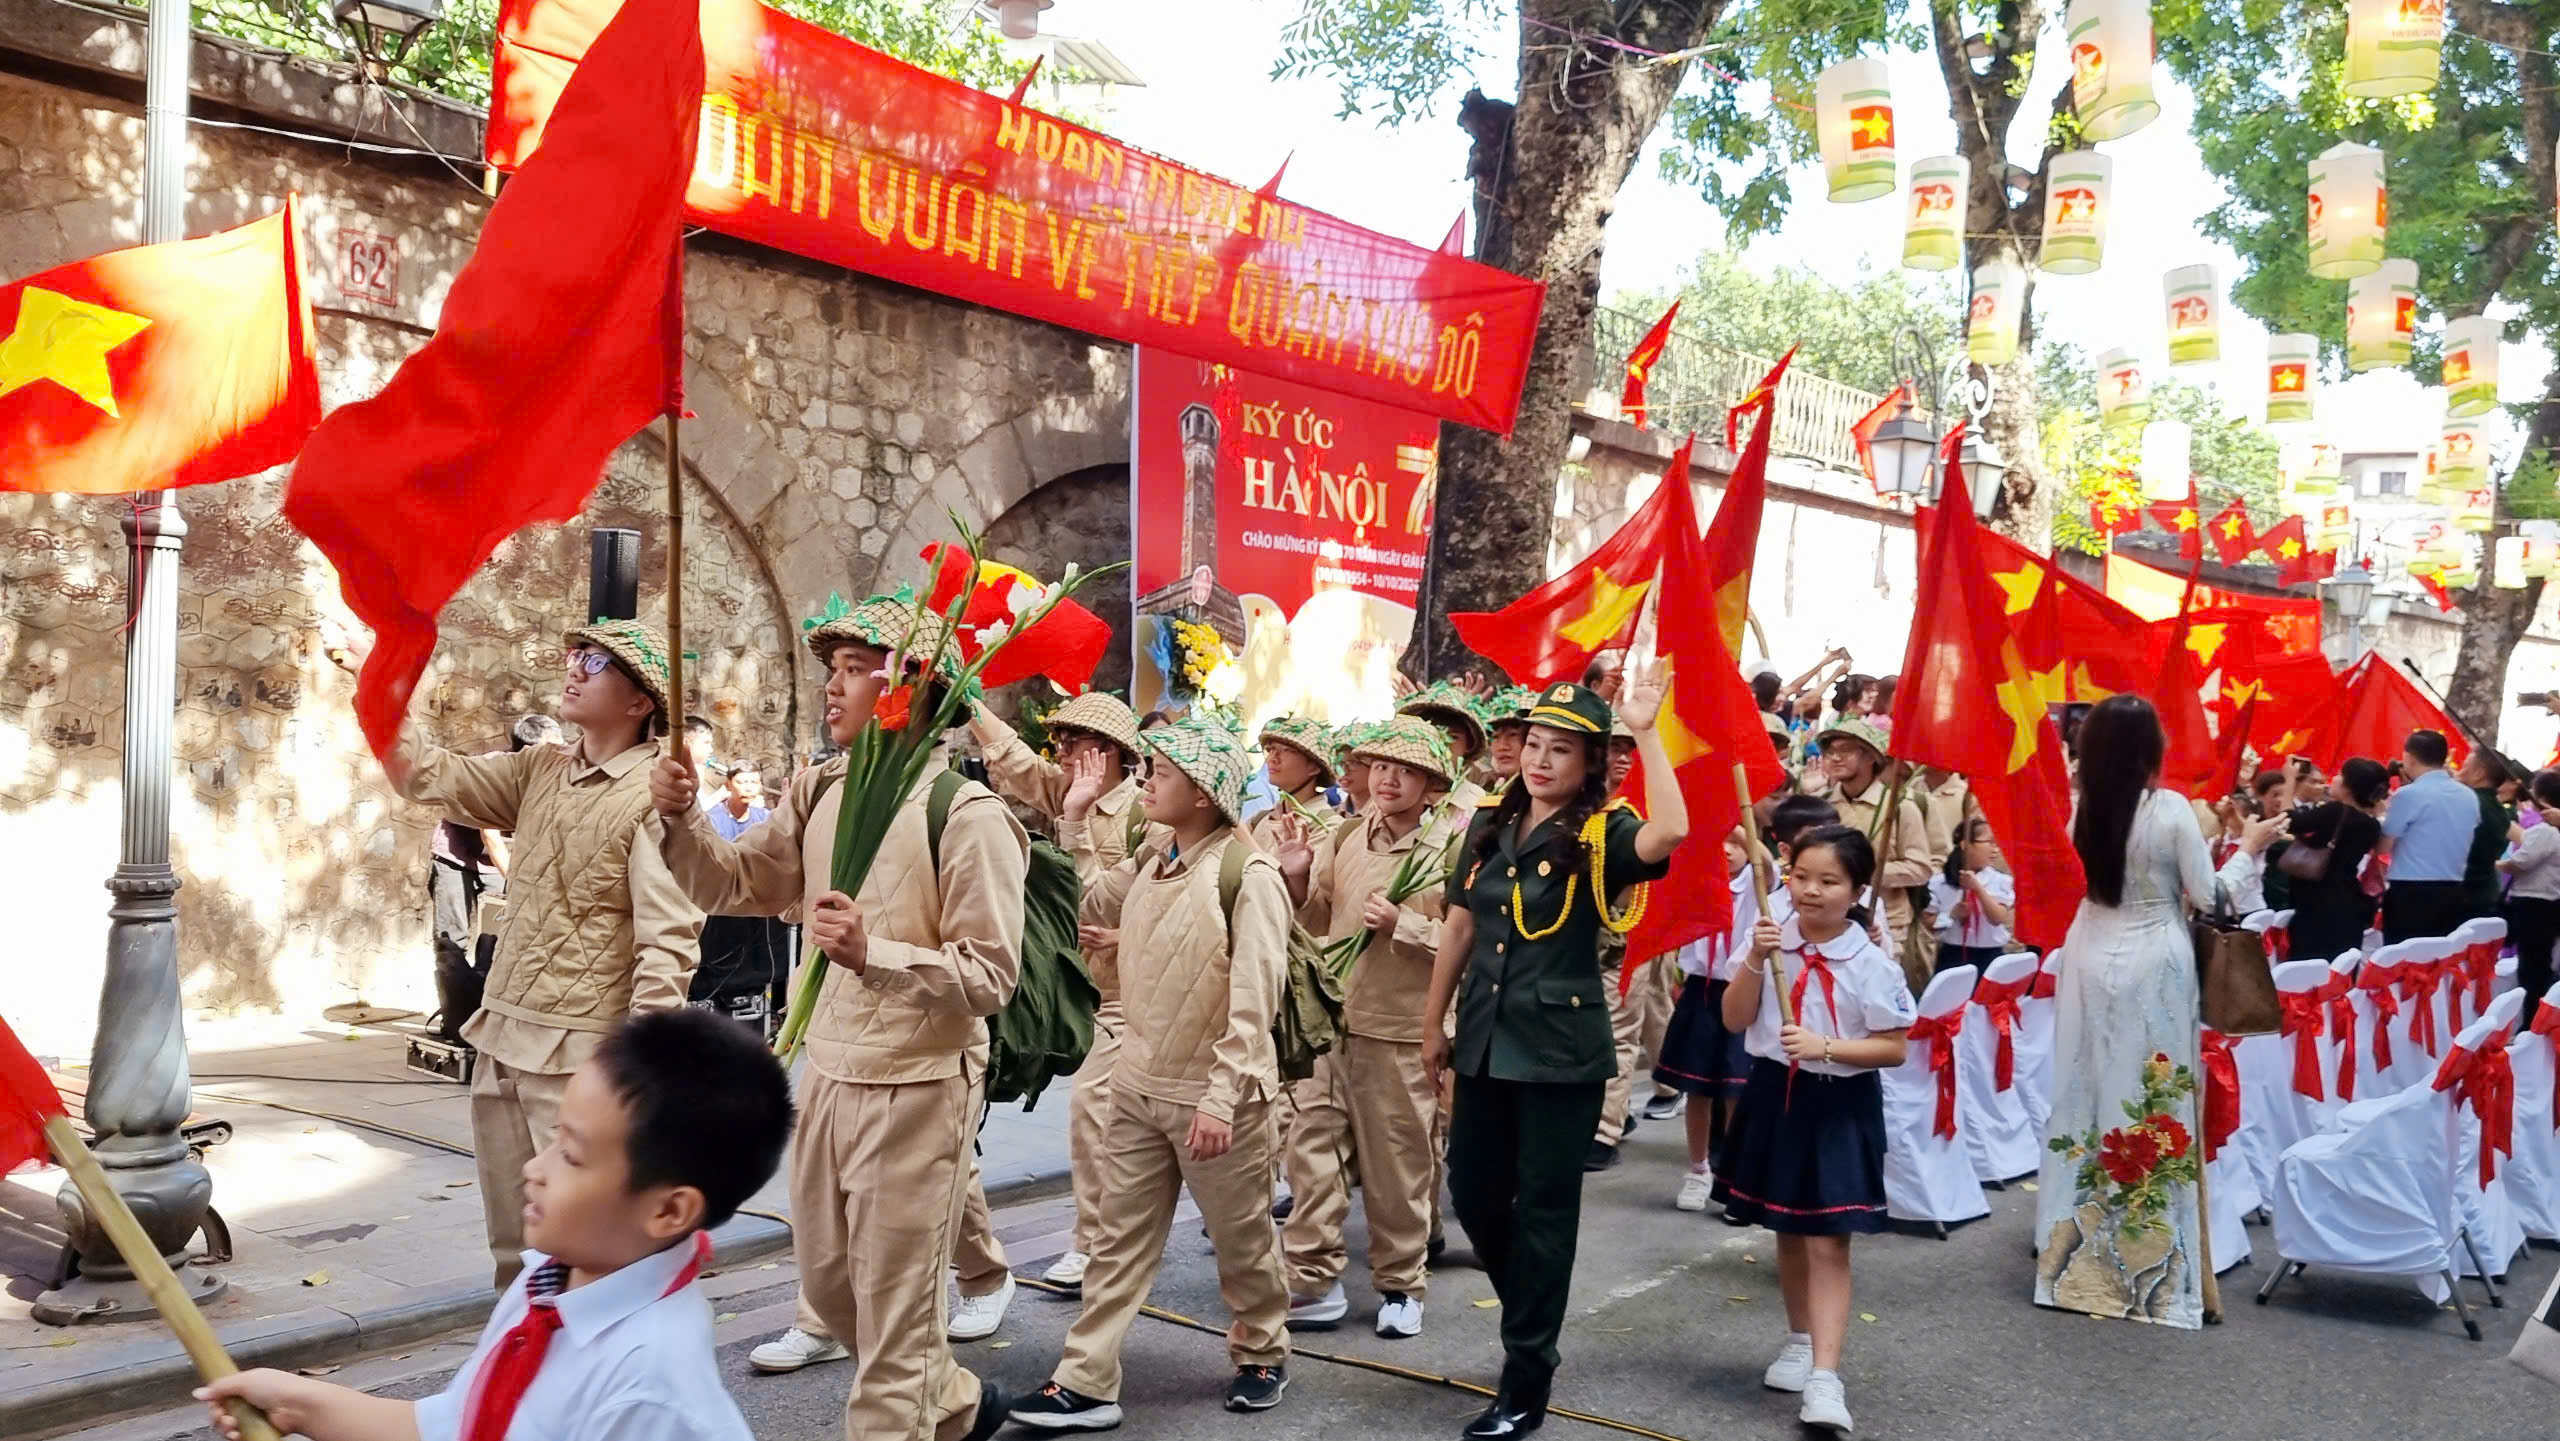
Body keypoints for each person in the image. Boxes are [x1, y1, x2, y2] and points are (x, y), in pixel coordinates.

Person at [648, 597, 1022, 1441]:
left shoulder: (965, 814)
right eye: (833, 668)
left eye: (857, 668)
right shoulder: (821, 788)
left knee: (890, 1324)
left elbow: (992, 975)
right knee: (833, 1290)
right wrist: (679, 818)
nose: (833, 686)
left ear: (914, 688)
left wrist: (873, 952)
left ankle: (906, 1413)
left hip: (920, 1083)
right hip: (828, 1075)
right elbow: (742, 885)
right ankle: (957, 1404)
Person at [198, 1008, 792, 1441]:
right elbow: (459, 1426)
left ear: (668, 1211)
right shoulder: (547, 1282)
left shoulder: (653, 1397)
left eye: (572, 1155)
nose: (535, 1168)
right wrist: (301, 1404)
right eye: (554, 1139)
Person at [389, 619, 702, 1291]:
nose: (574, 667)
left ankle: (599, 1385)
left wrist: (639, 1075)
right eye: (573, 655)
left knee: (588, 1257)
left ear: (640, 700)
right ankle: (521, 1378)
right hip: (501, 1037)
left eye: (595, 661)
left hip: (580, 1061)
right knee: (518, 1256)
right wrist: (383, 685)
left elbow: (668, 944)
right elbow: (429, 776)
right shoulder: (541, 767)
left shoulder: (656, 795)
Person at [1420, 672, 1686, 1440]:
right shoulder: (1487, 825)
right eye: (1532, 743)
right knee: (1472, 1192)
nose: (1538, 760)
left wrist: (1647, 730)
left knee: (1542, 1218)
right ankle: (1532, 1320)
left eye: (1559, 749)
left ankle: (1525, 1376)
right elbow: (1461, 926)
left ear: (1590, 761)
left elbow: (1671, 831)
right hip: (1484, 1041)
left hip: (1560, 1054)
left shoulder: (1604, 833)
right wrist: (1432, 1021)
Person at [1010, 718, 1296, 1428]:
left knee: (1242, 1240)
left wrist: (1222, 1098)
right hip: (1138, 1084)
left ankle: (1262, 1349)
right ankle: (1085, 1377)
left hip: (1214, 1096)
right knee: (1116, 1239)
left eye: (1160, 771)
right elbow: (1092, 903)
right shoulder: (1157, 852)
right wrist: (1072, 821)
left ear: (1202, 794)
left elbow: (1256, 1001)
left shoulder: (1246, 874)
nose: (1145, 779)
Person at [1268, 717, 1464, 1338]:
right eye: (1379, 766)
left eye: (1405, 770)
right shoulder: (1348, 834)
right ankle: (1312, 1277)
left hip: (1404, 1033)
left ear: (1432, 783)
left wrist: (1404, 926)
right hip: (1335, 1024)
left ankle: (1402, 1283)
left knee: (1398, 1168)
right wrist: (1297, 873)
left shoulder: (1452, 848)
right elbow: (1319, 915)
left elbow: (1475, 944)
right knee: (1310, 1155)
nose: (1388, 779)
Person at [1716, 825, 1913, 1435]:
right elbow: (1734, 1018)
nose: (1810, 891)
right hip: (1776, 1093)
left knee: (1830, 1237)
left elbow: (1895, 1048)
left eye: (1829, 882)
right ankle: (1799, 1339)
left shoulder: (1870, 962)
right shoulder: (1769, 939)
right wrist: (1754, 956)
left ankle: (1827, 1375)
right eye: (1801, 877)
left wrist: (1827, 1045)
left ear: (1856, 891)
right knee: (1789, 1225)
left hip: (1839, 1101)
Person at [2032, 695, 2214, 1329]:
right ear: (2151, 747)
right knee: (2153, 1093)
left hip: (2089, 949)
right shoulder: (2171, 811)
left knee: (2087, 1088)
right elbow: (2209, 892)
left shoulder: (2082, 808)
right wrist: (2247, 847)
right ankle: (2149, 1255)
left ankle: (2073, 1245)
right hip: (2156, 953)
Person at [969, 692, 1148, 1294]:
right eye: (1062, 741)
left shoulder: (1145, 812)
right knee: (1112, 1127)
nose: (1062, 750)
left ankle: (1095, 1247)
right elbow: (1012, 759)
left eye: (1075, 742)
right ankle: (1119, 1241)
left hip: (1131, 997)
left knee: (1094, 1117)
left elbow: (1112, 899)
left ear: (1110, 752)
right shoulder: (1066, 788)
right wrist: (966, 697)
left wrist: (1073, 821)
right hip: (1079, 992)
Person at [1656, 794, 1838, 1215]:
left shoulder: (1761, 885)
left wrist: (1729, 807)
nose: (1726, 851)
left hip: (1744, 989)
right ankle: (1698, 1168)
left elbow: (1763, 858)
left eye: (1735, 844)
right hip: (1700, 993)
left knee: (1738, 1087)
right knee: (1697, 1087)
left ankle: (1732, 1174)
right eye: (1718, 844)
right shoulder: (1697, 878)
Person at [1808, 718, 1931, 991]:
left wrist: (1866, 874)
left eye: (1846, 750)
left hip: (1886, 930)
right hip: (1830, 925)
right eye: (1830, 751)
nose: (1835, 757)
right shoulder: (1824, 805)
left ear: (1870, 758)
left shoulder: (1899, 807)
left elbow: (1921, 868)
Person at [2281, 759, 2389, 964]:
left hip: (2318, 905)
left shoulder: (2335, 811)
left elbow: (2289, 821)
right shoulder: (2372, 825)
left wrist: (2289, 781)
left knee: (2307, 972)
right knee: (2340, 972)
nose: (2334, 780)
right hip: (2348, 904)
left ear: (2350, 787)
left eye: (2340, 775)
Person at [2379, 729, 2477, 941]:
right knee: (2437, 965)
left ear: (2409, 758)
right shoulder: (2469, 796)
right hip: (2453, 891)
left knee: (2402, 965)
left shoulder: (2408, 794)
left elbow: (2383, 846)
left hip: (2411, 893)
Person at [2499, 769, 2560, 1024]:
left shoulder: (2546, 830)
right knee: (2540, 963)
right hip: (2548, 902)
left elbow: (2521, 862)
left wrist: (2498, 865)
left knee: (2533, 966)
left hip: (2535, 904)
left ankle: (2532, 1022)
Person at [1925, 817, 2014, 977]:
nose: (1995, 850)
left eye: (1996, 843)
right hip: (1953, 955)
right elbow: (1929, 924)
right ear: (1966, 844)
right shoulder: (1939, 883)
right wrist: (1952, 915)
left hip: (1989, 955)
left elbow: (1997, 918)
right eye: (1989, 842)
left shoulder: (2000, 881)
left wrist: (1977, 889)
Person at [1250, 715, 1340, 850]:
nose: (1272, 759)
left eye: (1286, 750)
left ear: (1314, 767)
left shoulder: (1327, 826)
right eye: (1271, 750)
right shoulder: (1260, 820)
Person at [1401, 681, 1493, 810]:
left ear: (1469, 744)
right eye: (1432, 735)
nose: (1442, 745)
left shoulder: (1477, 804)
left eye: (1453, 737)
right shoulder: (1392, 792)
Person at [2460, 750, 2518, 918]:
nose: (2460, 772)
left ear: (2479, 774)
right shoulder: (2500, 810)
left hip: (2463, 894)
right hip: (2486, 892)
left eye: (2465, 766)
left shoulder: (2468, 803)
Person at [710, 760, 771, 841]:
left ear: (760, 785)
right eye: (741, 782)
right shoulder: (712, 819)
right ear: (728, 785)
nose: (748, 788)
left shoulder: (765, 818)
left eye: (754, 782)